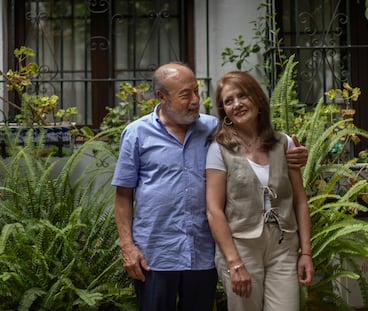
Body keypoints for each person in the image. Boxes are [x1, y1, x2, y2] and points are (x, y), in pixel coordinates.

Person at [111, 62, 308, 311]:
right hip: (155, 255)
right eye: (185, 95)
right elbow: (123, 195)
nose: (195, 100)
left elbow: (257, 141)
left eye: (196, 91)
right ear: (161, 97)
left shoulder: (214, 129)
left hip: (201, 254)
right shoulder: (136, 134)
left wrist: (296, 155)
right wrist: (128, 247)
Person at [205, 71, 314, 311]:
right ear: (224, 112)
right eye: (228, 101)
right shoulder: (219, 149)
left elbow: (300, 202)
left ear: (257, 98)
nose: (237, 105)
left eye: (242, 96)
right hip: (240, 248)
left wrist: (306, 252)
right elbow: (214, 210)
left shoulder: (284, 143)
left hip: (283, 246)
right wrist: (234, 263)